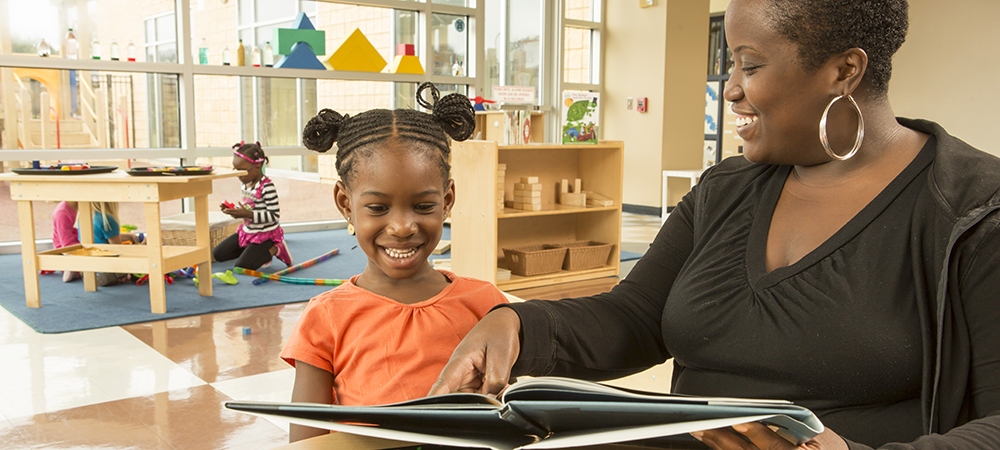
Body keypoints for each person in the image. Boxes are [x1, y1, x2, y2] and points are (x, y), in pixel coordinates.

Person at [429, 1, 1000, 449]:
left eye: (750, 65)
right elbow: (634, 318)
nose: (729, 88)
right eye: (731, 64)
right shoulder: (725, 189)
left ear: (844, 71)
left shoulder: (974, 210)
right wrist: (517, 327)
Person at [280, 82, 509, 443]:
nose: (403, 227)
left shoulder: (488, 305)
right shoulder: (324, 318)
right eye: (378, 208)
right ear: (345, 204)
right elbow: (308, 442)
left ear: (447, 199)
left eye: (423, 206)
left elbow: (511, 413)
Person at [213, 142, 293, 270]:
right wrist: (235, 211)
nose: (238, 174)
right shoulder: (245, 183)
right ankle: (256, 253)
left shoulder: (267, 187)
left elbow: (274, 215)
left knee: (242, 267)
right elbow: (251, 207)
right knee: (218, 254)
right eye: (236, 169)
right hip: (248, 231)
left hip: (265, 234)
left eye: (242, 170)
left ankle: (275, 249)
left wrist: (247, 214)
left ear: (257, 167)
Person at [88, 201, 142, 286]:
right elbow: (118, 250)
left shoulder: (87, 217)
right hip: (106, 270)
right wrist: (140, 249)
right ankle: (122, 275)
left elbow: (108, 236)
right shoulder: (107, 219)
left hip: (89, 268)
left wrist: (130, 237)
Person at [51, 200, 81, 282]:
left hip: (76, 242)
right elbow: (66, 244)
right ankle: (72, 269)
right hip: (64, 250)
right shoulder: (62, 213)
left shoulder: (78, 206)